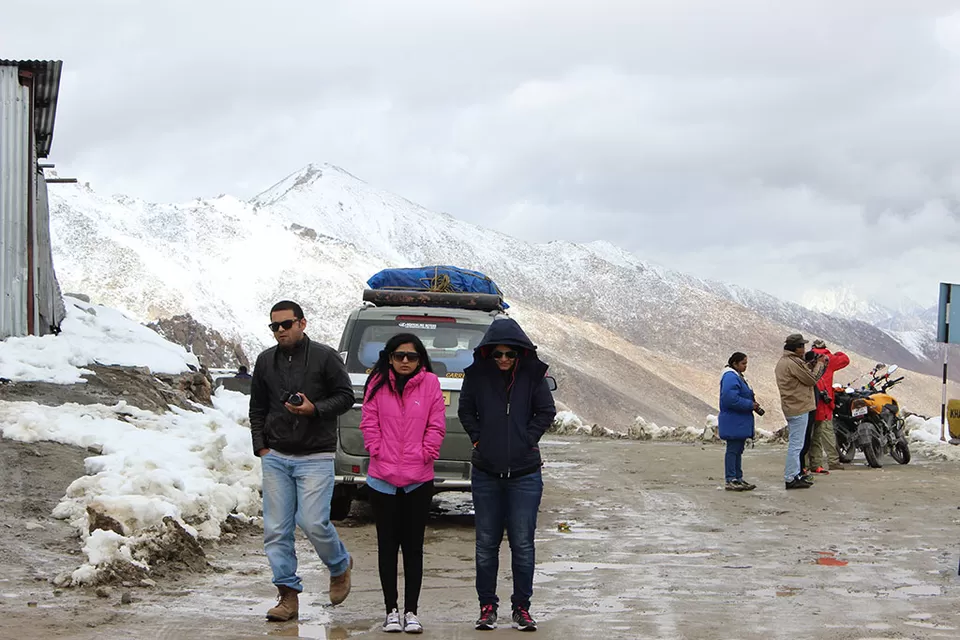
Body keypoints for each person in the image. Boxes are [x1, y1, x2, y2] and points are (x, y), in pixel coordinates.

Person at [249, 300, 356, 621]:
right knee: (276, 531)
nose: (280, 331)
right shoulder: (265, 361)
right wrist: (261, 447)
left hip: (316, 455)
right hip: (277, 456)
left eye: (286, 324)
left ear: (302, 323)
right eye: (274, 326)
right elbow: (257, 408)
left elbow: (346, 396)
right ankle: (287, 596)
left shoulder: (325, 356)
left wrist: (315, 409)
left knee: (312, 522)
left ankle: (339, 565)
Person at [458, 318, 557, 632]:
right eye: (498, 353)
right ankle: (487, 607)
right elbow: (465, 410)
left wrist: (528, 439)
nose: (503, 359)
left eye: (509, 354)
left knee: (523, 545)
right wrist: (479, 439)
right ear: (488, 352)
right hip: (486, 472)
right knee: (486, 544)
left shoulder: (533, 376)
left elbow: (546, 411)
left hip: (525, 474)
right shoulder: (476, 376)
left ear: (520, 354)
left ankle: (521, 608)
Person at [359, 333, 446, 634]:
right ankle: (391, 610)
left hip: (418, 480)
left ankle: (412, 611)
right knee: (387, 546)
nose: (405, 361)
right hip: (382, 478)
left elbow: (437, 423)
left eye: (411, 356)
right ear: (390, 357)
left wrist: (426, 453)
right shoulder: (376, 383)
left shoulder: (432, 384)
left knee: (413, 547)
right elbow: (368, 420)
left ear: (421, 359)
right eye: (399, 356)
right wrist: (376, 449)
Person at [775, 334, 828, 490]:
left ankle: (796, 473)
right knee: (797, 445)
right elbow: (811, 379)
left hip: (792, 406)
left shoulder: (785, 362)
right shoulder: (793, 362)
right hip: (798, 407)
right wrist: (818, 364)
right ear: (796, 348)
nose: (804, 349)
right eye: (802, 346)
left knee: (798, 444)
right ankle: (791, 477)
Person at [807, 339, 850, 472]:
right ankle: (833, 461)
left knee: (810, 435)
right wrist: (836, 352)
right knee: (827, 433)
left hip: (809, 401)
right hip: (825, 403)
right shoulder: (829, 359)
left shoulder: (807, 358)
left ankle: (813, 463)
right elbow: (845, 359)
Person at [718, 353, 758, 492]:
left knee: (738, 450)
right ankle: (731, 479)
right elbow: (730, 398)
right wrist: (749, 404)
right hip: (734, 419)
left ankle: (738, 477)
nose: (745, 366)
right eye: (743, 364)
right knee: (733, 450)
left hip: (738, 420)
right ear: (735, 363)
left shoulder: (737, 376)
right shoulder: (730, 376)